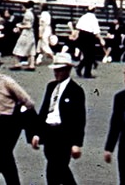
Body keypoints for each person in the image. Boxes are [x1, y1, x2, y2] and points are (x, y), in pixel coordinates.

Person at [0, 51, 37, 185]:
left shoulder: (6, 82)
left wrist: (17, 113)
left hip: (8, 123)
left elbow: (28, 102)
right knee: (3, 158)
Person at [30, 51, 87, 185]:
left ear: (68, 69)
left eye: (60, 70)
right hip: (49, 133)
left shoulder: (76, 91)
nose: (56, 73)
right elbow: (44, 111)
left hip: (63, 135)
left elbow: (79, 119)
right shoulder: (51, 87)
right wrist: (37, 133)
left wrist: (77, 143)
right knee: (55, 167)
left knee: (56, 168)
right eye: (55, 70)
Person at [74, 7, 102, 78]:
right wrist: (101, 39)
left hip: (82, 36)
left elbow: (78, 27)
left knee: (87, 55)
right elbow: (96, 31)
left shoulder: (83, 17)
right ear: (94, 10)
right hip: (89, 37)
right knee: (90, 55)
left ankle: (80, 68)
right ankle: (86, 73)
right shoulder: (93, 19)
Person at [11, 2, 38, 71]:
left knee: (17, 48)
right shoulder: (32, 13)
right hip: (31, 34)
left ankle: (17, 64)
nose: (21, 8)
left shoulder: (27, 14)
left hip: (26, 34)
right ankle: (32, 65)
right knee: (32, 50)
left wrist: (20, 26)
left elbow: (28, 25)